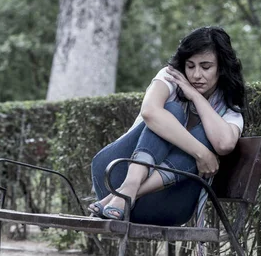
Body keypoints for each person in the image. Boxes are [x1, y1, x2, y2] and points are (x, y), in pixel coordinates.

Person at [89, 26, 245, 226]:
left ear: (221, 68)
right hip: (114, 174)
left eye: (206, 67)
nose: (196, 75)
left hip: (165, 201)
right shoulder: (170, 76)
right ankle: (128, 186)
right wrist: (201, 153)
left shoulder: (228, 108)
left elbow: (224, 144)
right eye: (190, 66)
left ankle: (126, 194)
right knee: (170, 111)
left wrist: (196, 96)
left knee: (209, 133)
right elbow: (150, 112)